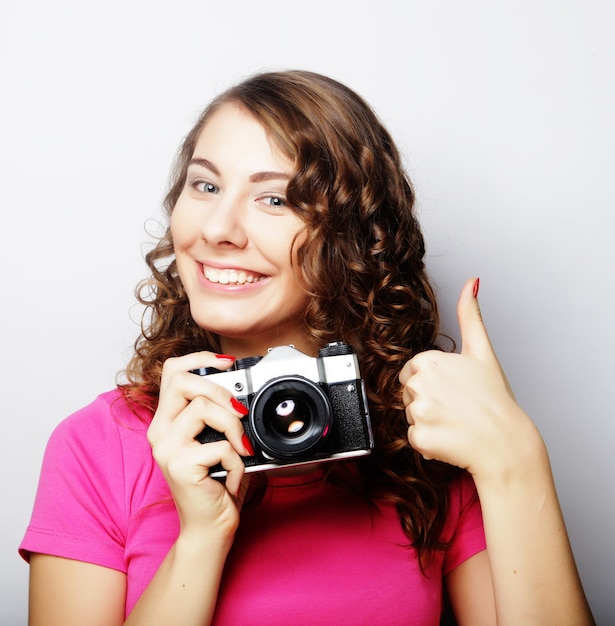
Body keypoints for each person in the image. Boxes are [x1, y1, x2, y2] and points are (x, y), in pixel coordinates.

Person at [20, 70, 594, 625]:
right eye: (206, 185)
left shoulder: (431, 442)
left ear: (350, 239)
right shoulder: (98, 447)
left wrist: (515, 457)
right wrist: (201, 539)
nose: (219, 228)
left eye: (275, 200)